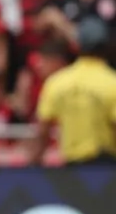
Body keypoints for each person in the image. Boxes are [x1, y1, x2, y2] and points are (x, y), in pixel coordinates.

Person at [30, 17, 116, 165]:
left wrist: (33, 166)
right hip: (107, 169)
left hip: (71, 170)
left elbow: (42, 131)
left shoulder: (57, 82)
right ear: (107, 47)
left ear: (76, 46)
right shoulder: (112, 82)